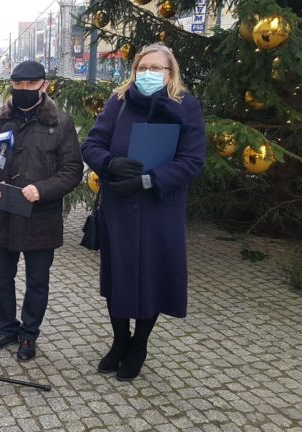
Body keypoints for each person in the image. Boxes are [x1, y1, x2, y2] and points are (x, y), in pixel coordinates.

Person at [80, 43, 206, 381]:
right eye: (143, 68)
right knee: (117, 274)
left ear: (171, 72)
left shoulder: (186, 106)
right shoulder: (118, 102)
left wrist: (149, 181)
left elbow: (192, 160)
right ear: (134, 70)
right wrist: (109, 163)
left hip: (159, 211)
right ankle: (120, 340)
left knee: (153, 275)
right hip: (119, 206)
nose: (149, 74)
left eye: (158, 69)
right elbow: (91, 144)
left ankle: (139, 344)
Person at [0, 61, 83, 362]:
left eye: (30, 85)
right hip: (2, 214)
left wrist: (42, 189)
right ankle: (7, 329)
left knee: (37, 281)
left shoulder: (60, 122)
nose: (23, 91)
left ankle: (29, 335)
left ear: (44, 86)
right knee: (0, 278)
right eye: (17, 85)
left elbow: (72, 170)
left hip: (40, 218)